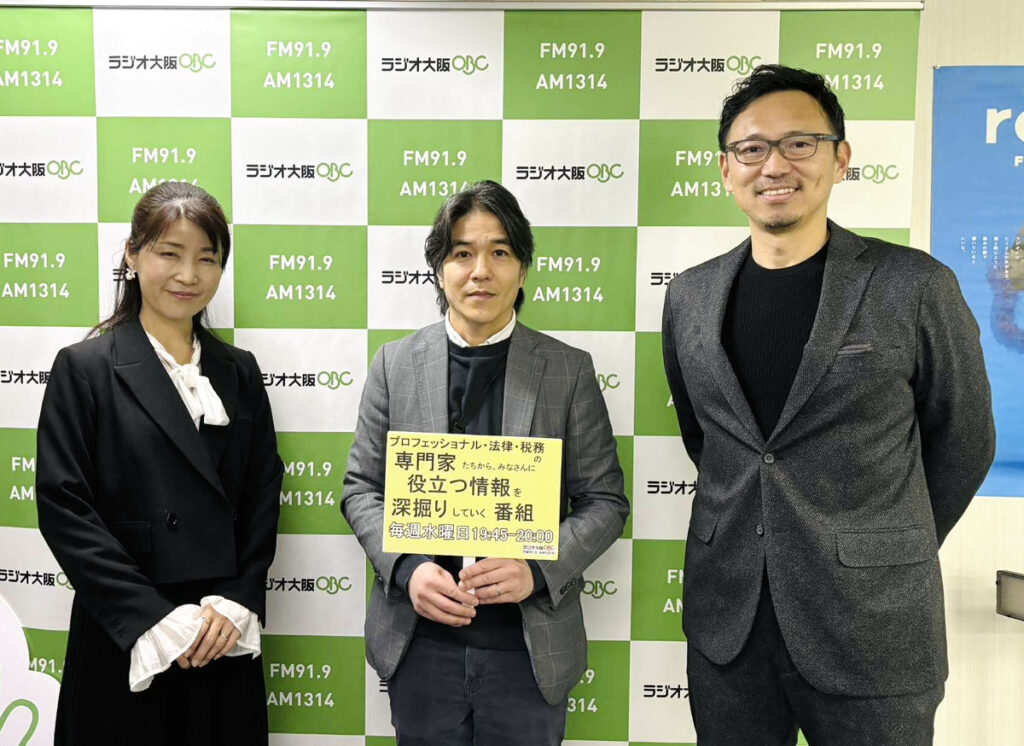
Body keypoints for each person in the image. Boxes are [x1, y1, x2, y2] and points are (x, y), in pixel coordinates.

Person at [661, 65, 995, 745]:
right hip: (731, 626)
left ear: (840, 158)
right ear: (726, 169)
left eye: (799, 144)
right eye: (752, 148)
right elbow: (711, 440)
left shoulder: (914, 285)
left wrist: (880, 545)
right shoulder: (690, 296)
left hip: (874, 624)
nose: (773, 165)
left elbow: (965, 440)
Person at [343, 180, 628, 745]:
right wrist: (408, 569)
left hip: (527, 649)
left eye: (499, 252)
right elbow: (361, 489)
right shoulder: (395, 364)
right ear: (439, 270)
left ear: (522, 270)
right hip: (421, 643)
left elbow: (605, 503)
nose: (480, 271)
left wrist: (536, 568)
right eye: (462, 253)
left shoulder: (567, 370)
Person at [36, 182, 283, 745]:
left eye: (207, 259)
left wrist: (238, 600)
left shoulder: (239, 370)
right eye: (169, 253)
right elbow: (64, 506)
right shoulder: (85, 368)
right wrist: (150, 617)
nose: (188, 275)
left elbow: (262, 493)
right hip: (127, 633)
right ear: (132, 255)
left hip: (220, 631)